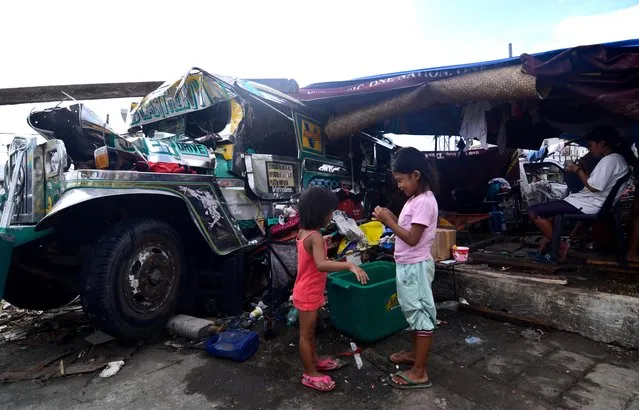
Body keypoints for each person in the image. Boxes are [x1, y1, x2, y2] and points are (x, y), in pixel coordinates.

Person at [372, 146, 440, 389]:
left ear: (416, 175)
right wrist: (390, 216)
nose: (399, 185)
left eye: (401, 180)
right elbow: (407, 231)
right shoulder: (415, 200)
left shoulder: (424, 202)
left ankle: (419, 371)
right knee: (413, 312)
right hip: (408, 266)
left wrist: (389, 219)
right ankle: (416, 353)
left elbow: (412, 238)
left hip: (416, 268)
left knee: (421, 315)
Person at [293, 186, 369, 392]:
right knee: (306, 335)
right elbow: (320, 264)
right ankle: (310, 373)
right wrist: (349, 265)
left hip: (308, 289)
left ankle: (314, 361)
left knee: (310, 334)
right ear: (319, 212)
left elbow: (311, 257)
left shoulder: (305, 232)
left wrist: (323, 244)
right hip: (308, 292)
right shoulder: (315, 237)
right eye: (329, 212)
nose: (331, 216)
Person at [528, 126, 631, 261]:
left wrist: (577, 170)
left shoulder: (610, 160)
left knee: (533, 212)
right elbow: (593, 182)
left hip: (589, 204)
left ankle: (560, 247)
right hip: (591, 202)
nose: (590, 149)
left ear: (602, 143)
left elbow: (594, 187)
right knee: (551, 219)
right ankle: (543, 251)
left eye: (591, 145)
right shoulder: (616, 160)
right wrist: (581, 169)